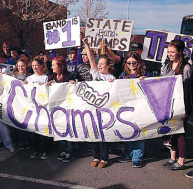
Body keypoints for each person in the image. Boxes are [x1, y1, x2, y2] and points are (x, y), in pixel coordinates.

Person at [83, 38, 116, 168]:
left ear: (108, 66)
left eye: (103, 63)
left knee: (103, 136)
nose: (100, 65)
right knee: (93, 134)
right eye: (99, 63)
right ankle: (95, 157)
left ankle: (104, 158)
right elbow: (91, 58)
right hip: (92, 109)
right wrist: (86, 44)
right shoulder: (95, 74)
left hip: (105, 111)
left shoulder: (112, 78)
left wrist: (112, 86)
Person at [161, 40, 191, 170]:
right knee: (172, 132)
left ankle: (181, 161)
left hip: (181, 104)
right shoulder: (167, 65)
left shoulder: (186, 67)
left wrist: (186, 109)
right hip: (168, 104)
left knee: (180, 133)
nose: (169, 54)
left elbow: (188, 89)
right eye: (168, 52)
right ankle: (172, 158)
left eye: (172, 52)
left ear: (179, 52)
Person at [118, 51, 150, 168]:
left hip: (141, 109)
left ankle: (137, 157)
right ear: (126, 63)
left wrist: (146, 81)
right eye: (129, 62)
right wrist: (112, 83)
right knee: (128, 132)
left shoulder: (146, 74)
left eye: (134, 62)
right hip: (126, 109)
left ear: (139, 63)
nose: (131, 64)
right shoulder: (122, 75)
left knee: (140, 133)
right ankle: (127, 154)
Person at [47, 56, 75, 162]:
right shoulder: (52, 77)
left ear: (60, 66)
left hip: (68, 108)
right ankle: (62, 150)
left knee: (69, 130)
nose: (52, 66)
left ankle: (70, 151)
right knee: (60, 130)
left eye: (54, 65)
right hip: (56, 110)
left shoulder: (69, 76)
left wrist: (73, 84)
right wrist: (47, 86)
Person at [24, 57, 49, 159]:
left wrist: (44, 85)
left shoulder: (45, 77)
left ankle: (45, 150)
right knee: (34, 131)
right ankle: (36, 150)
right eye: (33, 65)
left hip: (43, 107)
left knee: (43, 130)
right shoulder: (29, 78)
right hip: (32, 107)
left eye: (36, 65)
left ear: (41, 66)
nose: (34, 67)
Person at [0, 60, 15, 153]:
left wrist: (6, 76)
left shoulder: (4, 76)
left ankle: (8, 145)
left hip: (2, 105)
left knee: (3, 127)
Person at [12, 59, 31, 149]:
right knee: (19, 122)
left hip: (27, 102)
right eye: (19, 66)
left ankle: (27, 141)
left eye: (22, 65)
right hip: (18, 102)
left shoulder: (30, 76)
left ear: (26, 66)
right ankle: (20, 142)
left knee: (26, 122)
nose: (20, 67)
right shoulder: (14, 76)